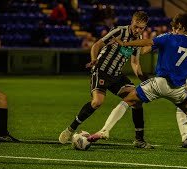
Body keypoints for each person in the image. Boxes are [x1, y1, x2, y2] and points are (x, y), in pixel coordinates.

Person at [88, 13, 187, 151]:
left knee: (127, 101)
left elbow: (147, 42)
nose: (174, 29)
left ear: (181, 27)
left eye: (175, 27)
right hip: (178, 88)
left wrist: (126, 43)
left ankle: (105, 130)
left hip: (160, 83)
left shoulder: (169, 37)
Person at [59, 11, 153, 148]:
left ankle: (139, 140)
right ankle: (71, 129)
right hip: (101, 70)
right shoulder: (119, 31)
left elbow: (134, 62)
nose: (138, 30)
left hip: (117, 75)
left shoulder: (138, 39)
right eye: (136, 26)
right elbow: (97, 45)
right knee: (97, 102)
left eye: (141, 28)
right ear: (132, 21)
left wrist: (143, 78)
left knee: (136, 100)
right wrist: (93, 60)